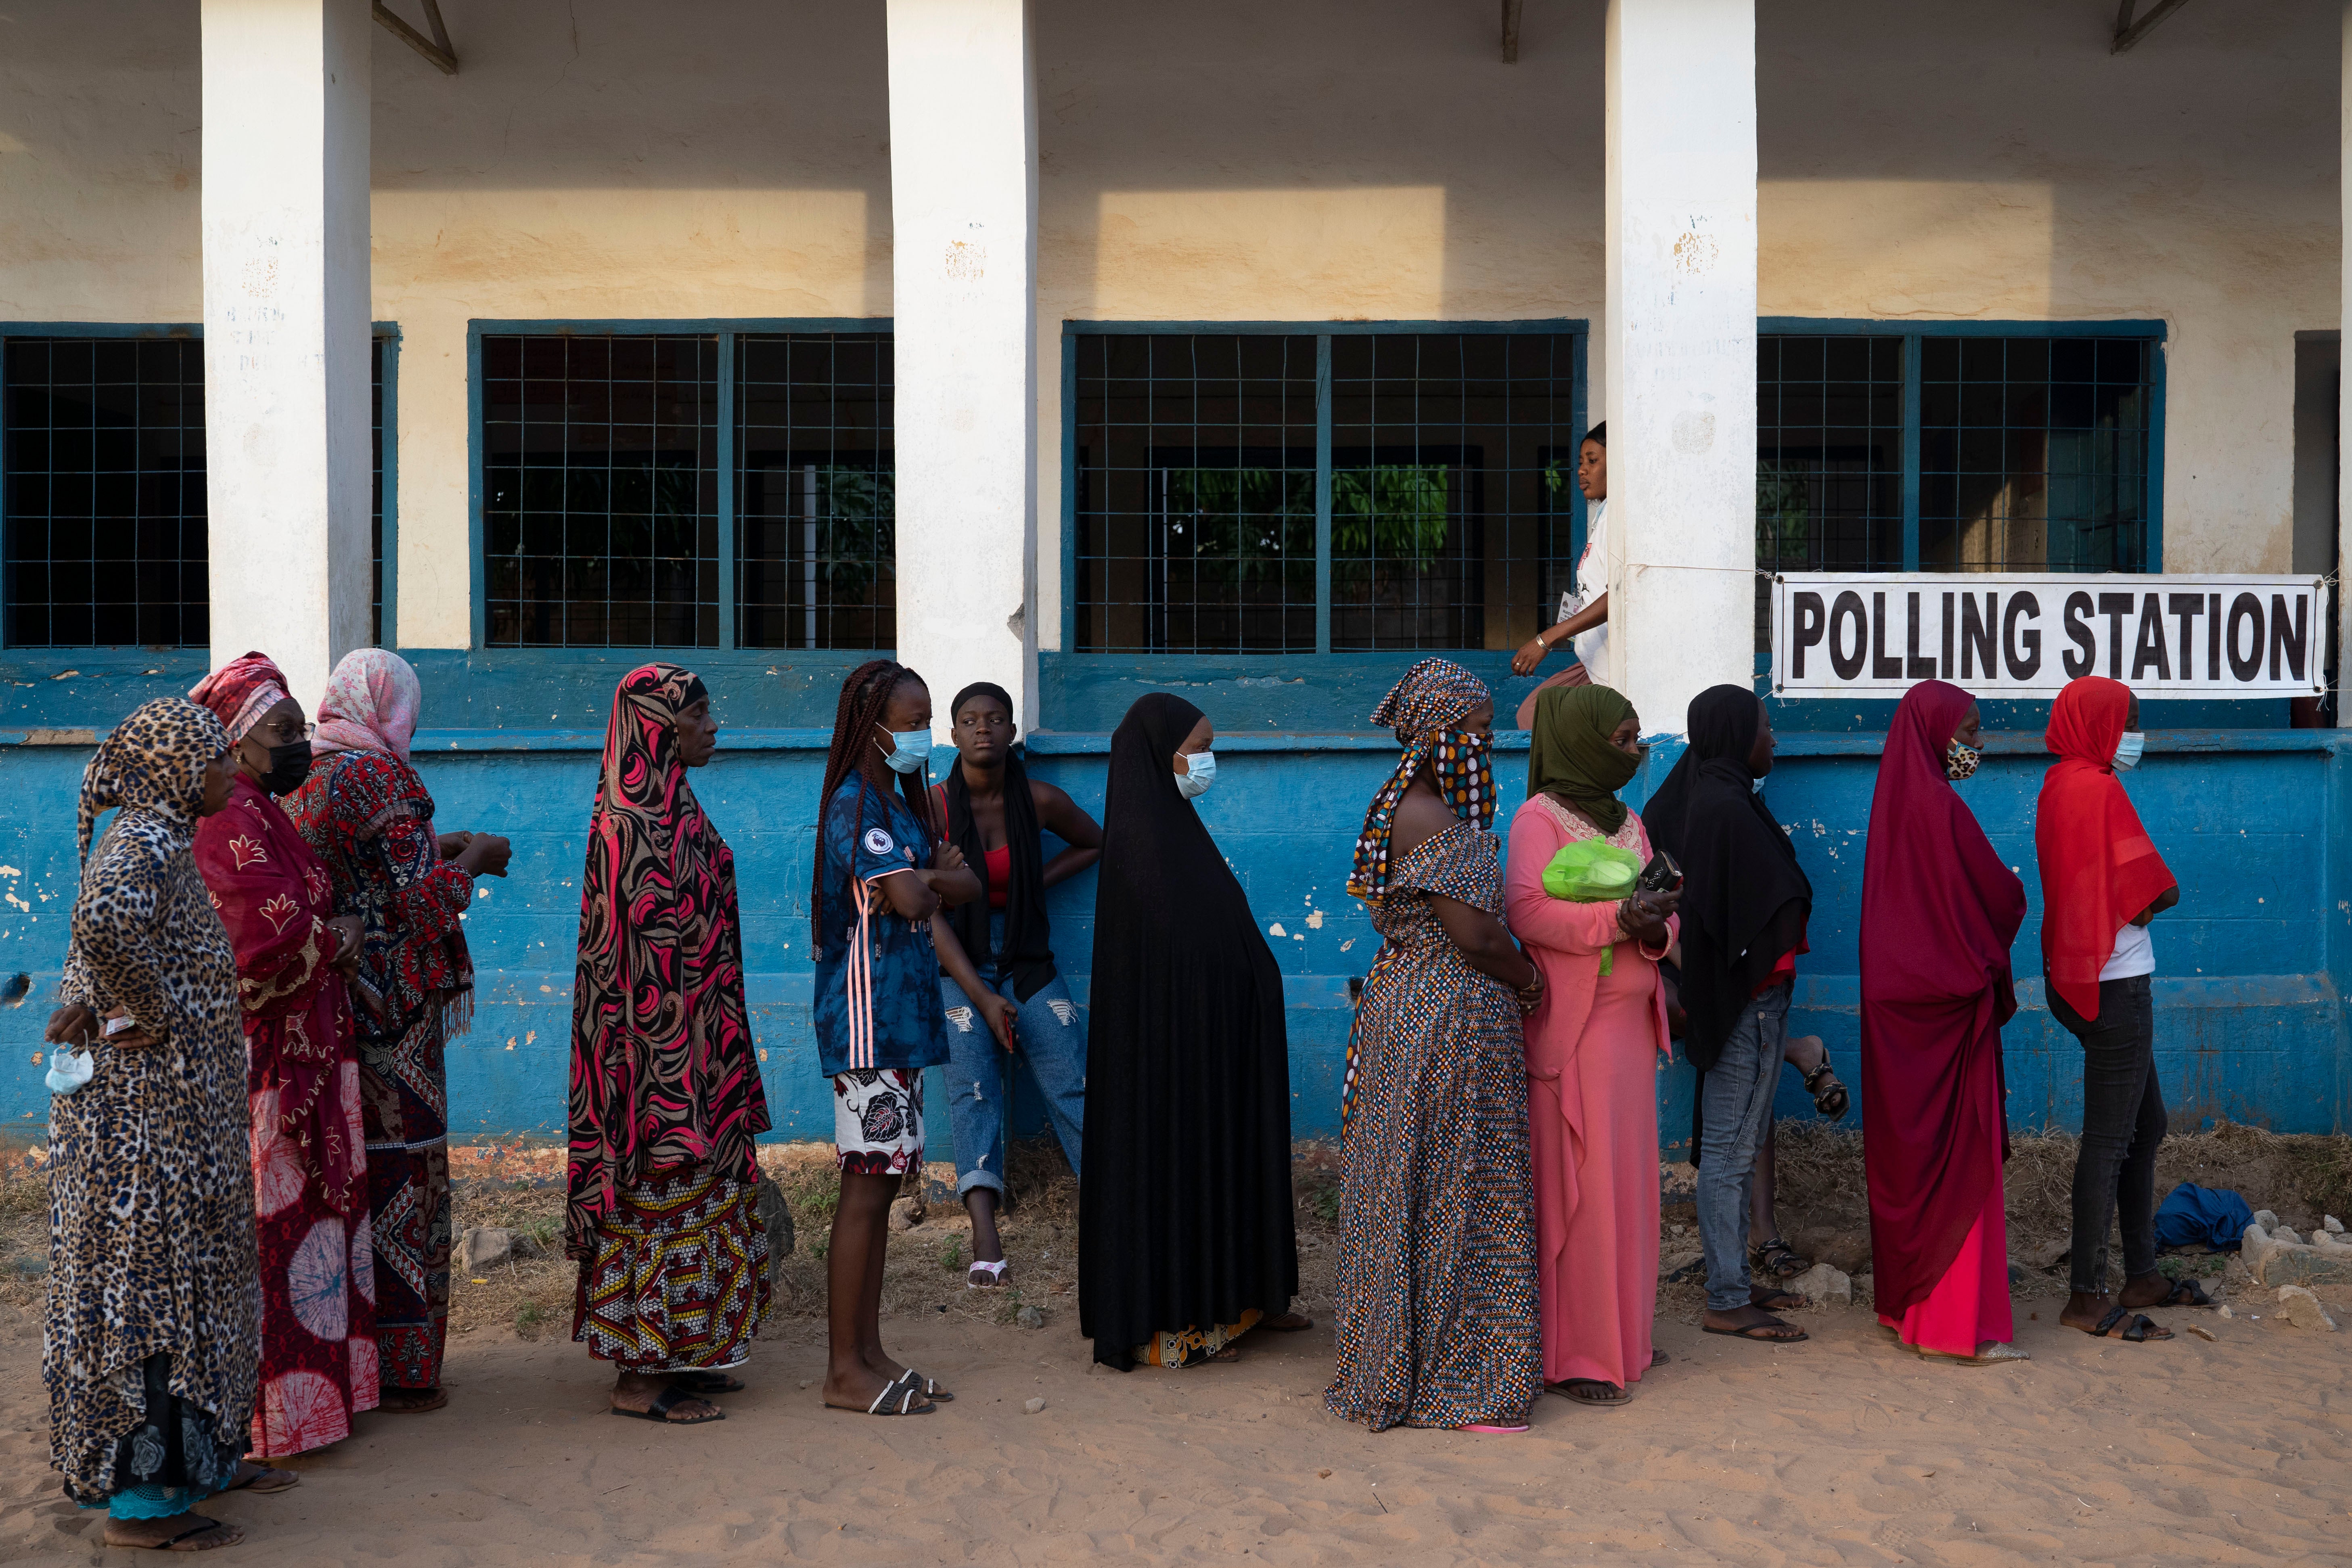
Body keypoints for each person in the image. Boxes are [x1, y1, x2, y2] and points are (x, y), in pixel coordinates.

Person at [43, 699, 262, 1549]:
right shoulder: (143, 841)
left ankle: (194, 1465)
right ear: (177, 771)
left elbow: (95, 938)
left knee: (187, 1289)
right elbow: (101, 924)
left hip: (173, 1122)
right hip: (144, 1138)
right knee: (152, 1299)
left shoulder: (156, 842)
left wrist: (96, 999)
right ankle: (143, 1507)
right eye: (215, 760)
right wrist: (152, 1012)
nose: (228, 773)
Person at [287, 649, 511, 1413]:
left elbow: (362, 878)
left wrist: (435, 852)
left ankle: (363, 1362)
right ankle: (410, 1368)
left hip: (342, 1003)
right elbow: (416, 904)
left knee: (361, 1172)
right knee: (409, 1175)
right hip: (399, 1012)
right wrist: (474, 860)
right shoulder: (384, 778)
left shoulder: (311, 777)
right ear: (392, 708)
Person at [1325, 660, 1544, 1433]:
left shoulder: (1412, 803)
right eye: (1479, 733)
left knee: (1423, 1183)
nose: (1487, 746)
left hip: (1417, 1014)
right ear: (1441, 736)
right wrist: (1530, 981)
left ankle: (1420, 1367)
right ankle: (1459, 1382)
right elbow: (1475, 936)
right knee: (1457, 1189)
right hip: (1442, 1022)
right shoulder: (1426, 814)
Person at [568, 664, 774, 1424]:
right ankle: (638, 1377)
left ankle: (684, 1350)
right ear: (661, 728)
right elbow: (626, 965)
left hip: (701, 1046)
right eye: (700, 714)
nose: (714, 726)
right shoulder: (628, 825)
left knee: (703, 1195)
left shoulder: (676, 807)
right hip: (653, 1062)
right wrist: (663, 1076)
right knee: (657, 1193)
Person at [187, 652, 379, 1461]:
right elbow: (254, 947)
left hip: (313, 1045)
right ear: (235, 743)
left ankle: (321, 1402)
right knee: (278, 1232)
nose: (300, 742)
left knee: (313, 1230)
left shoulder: (268, 812)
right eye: (284, 730)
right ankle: (272, 1418)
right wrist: (333, 943)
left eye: (301, 725)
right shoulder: (227, 821)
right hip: (266, 1062)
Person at [1080, 693, 1304, 1371]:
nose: (1204, 764)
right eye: (1195, 749)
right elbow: (1175, 966)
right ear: (1158, 755)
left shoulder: (1176, 835)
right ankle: (1175, 1325)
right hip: (1174, 1065)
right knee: (1178, 1176)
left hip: (1207, 1057)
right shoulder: (1147, 853)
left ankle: (1240, 1304)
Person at [1503, 684, 1682, 1403]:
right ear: (1579, 740)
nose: (1633, 751)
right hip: (1574, 1035)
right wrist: (1619, 918)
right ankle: (1576, 1353)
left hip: (1629, 1036)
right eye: (1621, 740)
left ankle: (1623, 1337)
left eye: (1635, 737)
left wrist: (1654, 925)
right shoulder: (1535, 820)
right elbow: (1528, 912)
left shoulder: (1629, 820)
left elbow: (1669, 921)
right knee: (1580, 1192)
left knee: (1628, 1188)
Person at [810, 659, 980, 1416]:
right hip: (867, 1026)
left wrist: (929, 880)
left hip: (903, 1019)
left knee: (882, 1192)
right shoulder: (855, 807)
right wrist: (929, 879)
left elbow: (961, 886)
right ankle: (843, 1369)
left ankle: (870, 1353)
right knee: (863, 1193)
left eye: (924, 721)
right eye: (911, 723)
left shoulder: (898, 808)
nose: (921, 735)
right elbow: (919, 892)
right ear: (873, 725)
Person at [1641, 684, 1835, 1342]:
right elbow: (1732, 913)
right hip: (1745, 1005)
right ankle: (1725, 1298)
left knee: (1740, 1145)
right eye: (1763, 727)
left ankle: (1733, 1278)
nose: (1773, 739)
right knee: (1726, 1153)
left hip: (1759, 1001)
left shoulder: (1730, 801)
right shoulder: (1720, 807)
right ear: (1733, 735)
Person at [1860, 680, 2029, 1365]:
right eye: (1969, 732)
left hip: (1897, 1017)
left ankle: (1906, 1310)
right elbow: (1999, 895)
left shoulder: (1892, 808)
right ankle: (1953, 1326)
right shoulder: (1943, 810)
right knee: (1960, 1165)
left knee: (1909, 1161)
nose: (1977, 745)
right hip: (1949, 1014)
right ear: (1936, 735)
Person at [2036, 675, 2199, 1343]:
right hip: (2115, 983)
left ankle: (2141, 1273)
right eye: (2129, 721)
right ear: (2099, 725)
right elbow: (2147, 896)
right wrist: (2158, 894)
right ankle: (2086, 1293)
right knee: (2109, 1140)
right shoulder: (2099, 790)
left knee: (2146, 1121)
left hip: (2075, 977)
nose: (2136, 735)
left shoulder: (2057, 786)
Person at [930, 681, 1102, 1288]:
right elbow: (925, 909)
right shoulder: (935, 809)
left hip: (1028, 957)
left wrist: (1034, 881)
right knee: (972, 1084)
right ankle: (985, 1235)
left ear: (1011, 733)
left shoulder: (1040, 799)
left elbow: (1094, 841)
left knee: (1072, 1077)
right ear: (952, 735)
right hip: (960, 960)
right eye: (970, 719)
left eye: (996, 718)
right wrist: (979, 993)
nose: (983, 728)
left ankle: (1109, 1214)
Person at [1510, 421, 1609, 727]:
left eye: (1592, 461)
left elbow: (1620, 597)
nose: (1582, 471)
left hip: (1610, 671)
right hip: (1593, 663)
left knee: (1537, 718)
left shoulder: (1621, 515)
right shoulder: (1605, 514)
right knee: (1533, 715)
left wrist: (1545, 640)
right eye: (1581, 463)